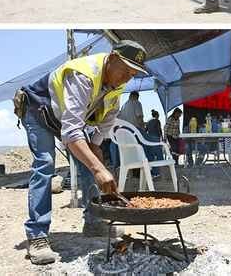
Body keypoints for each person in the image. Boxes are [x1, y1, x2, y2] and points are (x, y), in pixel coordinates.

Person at [16, 40, 148, 265]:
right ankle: (37, 235)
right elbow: (71, 133)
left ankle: (94, 221)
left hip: (66, 120)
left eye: (133, 74)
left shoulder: (116, 87)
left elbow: (100, 133)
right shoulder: (83, 74)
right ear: (112, 57)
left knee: (91, 165)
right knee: (45, 164)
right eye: (125, 70)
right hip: (38, 109)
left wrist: (99, 164)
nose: (127, 77)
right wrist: (98, 169)